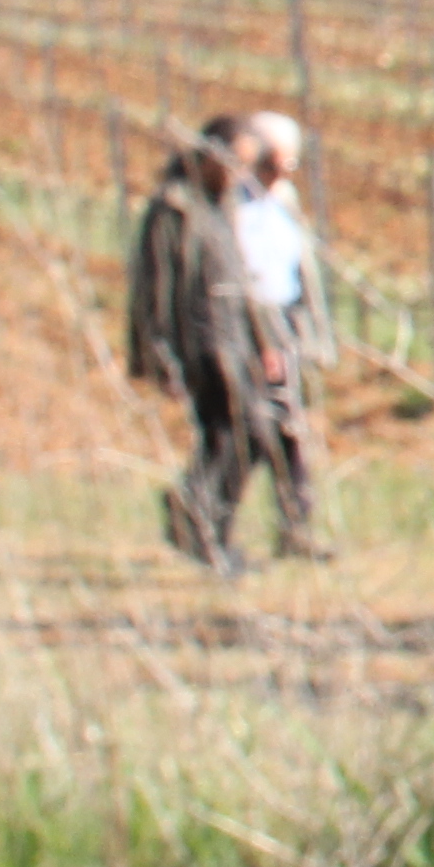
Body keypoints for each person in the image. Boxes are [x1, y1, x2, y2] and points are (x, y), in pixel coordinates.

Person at [123, 116, 278, 567]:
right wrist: (159, 355)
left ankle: (203, 523)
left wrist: (263, 342)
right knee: (240, 431)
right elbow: (151, 289)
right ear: (211, 154)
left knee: (244, 437)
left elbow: (240, 280)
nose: (240, 173)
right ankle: (201, 525)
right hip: (200, 343)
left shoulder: (221, 206)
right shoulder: (172, 209)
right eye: (235, 162)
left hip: (237, 339)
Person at [232, 110, 336, 562]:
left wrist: (316, 335)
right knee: (254, 432)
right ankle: (207, 520)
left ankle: (295, 529)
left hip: (288, 324)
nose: (281, 173)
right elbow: (242, 278)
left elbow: (303, 270)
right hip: (253, 328)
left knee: (290, 434)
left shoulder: (286, 200)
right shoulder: (233, 205)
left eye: (289, 165)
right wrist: (263, 341)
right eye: (275, 163)